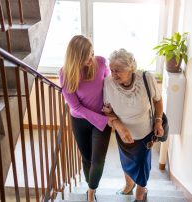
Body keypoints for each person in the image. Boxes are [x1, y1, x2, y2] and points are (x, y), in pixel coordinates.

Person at [103, 49, 164, 202]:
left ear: (130, 69)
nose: (113, 74)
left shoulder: (146, 78)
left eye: (118, 70)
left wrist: (158, 121)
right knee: (127, 161)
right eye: (111, 70)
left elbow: (158, 100)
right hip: (122, 133)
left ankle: (140, 192)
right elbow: (107, 110)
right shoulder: (108, 83)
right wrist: (120, 128)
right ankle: (128, 186)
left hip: (145, 133)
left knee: (142, 164)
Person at [59, 35, 114, 202]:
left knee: (98, 160)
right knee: (87, 158)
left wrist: (110, 108)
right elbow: (76, 107)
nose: (91, 59)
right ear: (76, 57)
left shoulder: (102, 62)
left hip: (103, 119)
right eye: (86, 56)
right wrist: (103, 120)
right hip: (80, 121)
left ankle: (91, 191)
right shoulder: (65, 74)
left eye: (92, 53)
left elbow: (110, 87)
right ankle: (91, 184)